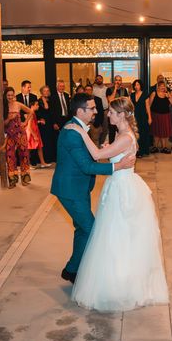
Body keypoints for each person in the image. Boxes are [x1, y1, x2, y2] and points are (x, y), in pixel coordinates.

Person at [64, 96, 169, 311]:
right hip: (119, 186)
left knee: (117, 235)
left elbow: (96, 155)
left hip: (122, 191)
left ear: (121, 115)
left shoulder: (125, 137)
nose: (107, 114)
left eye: (111, 112)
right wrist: (110, 150)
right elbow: (111, 154)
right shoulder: (122, 134)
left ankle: (119, 284)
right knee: (116, 235)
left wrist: (81, 132)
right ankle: (119, 279)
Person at [50, 93, 135, 285]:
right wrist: (117, 166)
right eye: (92, 108)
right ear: (80, 111)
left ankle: (72, 270)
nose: (97, 111)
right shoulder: (73, 133)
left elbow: (91, 155)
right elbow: (88, 166)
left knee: (82, 229)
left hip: (80, 188)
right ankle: (73, 269)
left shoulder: (80, 128)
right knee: (90, 229)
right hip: (70, 190)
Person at [3, 87, 33, 188]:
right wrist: (8, 119)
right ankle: (12, 179)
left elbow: (31, 112)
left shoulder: (18, 104)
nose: (10, 97)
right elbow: (2, 124)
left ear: (14, 95)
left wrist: (25, 122)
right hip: (9, 134)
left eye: (12, 95)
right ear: (5, 96)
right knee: (10, 156)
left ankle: (25, 178)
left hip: (20, 133)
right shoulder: (3, 106)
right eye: (8, 95)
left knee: (24, 154)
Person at [25, 97, 51, 169]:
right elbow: (29, 126)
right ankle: (27, 164)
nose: (38, 106)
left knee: (40, 147)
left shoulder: (33, 113)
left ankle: (42, 162)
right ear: (32, 106)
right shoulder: (30, 113)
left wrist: (39, 121)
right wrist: (34, 135)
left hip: (36, 132)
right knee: (29, 149)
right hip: (32, 133)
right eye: (37, 105)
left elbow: (33, 123)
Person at [149, 82, 172, 154]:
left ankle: (164, 147)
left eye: (164, 86)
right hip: (155, 115)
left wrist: (168, 96)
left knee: (164, 132)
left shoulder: (167, 94)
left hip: (165, 115)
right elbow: (149, 105)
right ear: (158, 87)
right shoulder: (154, 93)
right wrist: (148, 115)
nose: (163, 87)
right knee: (156, 132)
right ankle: (155, 147)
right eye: (161, 86)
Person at [130, 79, 151, 156]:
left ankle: (143, 150)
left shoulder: (145, 94)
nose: (136, 86)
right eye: (135, 85)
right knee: (135, 133)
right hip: (134, 116)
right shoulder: (132, 95)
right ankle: (137, 150)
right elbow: (130, 107)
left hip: (143, 116)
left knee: (143, 133)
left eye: (138, 85)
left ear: (140, 85)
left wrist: (149, 117)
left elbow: (147, 107)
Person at [37, 85, 58, 163]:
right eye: (44, 91)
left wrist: (54, 123)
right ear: (41, 92)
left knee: (50, 141)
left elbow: (52, 112)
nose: (46, 92)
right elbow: (46, 108)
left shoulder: (51, 100)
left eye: (47, 90)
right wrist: (43, 99)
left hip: (50, 123)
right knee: (44, 141)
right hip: (43, 124)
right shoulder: (39, 101)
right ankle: (44, 160)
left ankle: (50, 158)